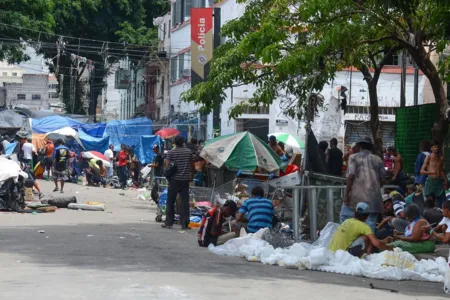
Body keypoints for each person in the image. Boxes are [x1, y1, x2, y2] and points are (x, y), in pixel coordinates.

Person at [342, 137, 385, 233]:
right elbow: (383, 178)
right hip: (374, 198)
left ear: (360, 146)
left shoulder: (353, 157)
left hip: (357, 197)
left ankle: (353, 243)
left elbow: (351, 176)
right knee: (370, 224)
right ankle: (368, 245)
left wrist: (346, 195)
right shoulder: (378, 159)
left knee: (346, 218)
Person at [162, 135, 193, 229]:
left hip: (174, 180)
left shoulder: (171, 152)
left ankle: (169, 223)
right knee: (184, 203)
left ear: (175, 143)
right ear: (183, 142)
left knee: (170, 202)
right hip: (185, 180)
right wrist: (191, 176)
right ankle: (185, 224)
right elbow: (191, 165)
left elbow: (167, 165)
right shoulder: (188, 152)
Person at [421, 140, 449, 208]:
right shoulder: (428, 157)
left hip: (439, 183)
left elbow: (442, 170)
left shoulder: (440, 158)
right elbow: (421, 171)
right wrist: (431, 172)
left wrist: (446, 180)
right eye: (434, 147)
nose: (436, 148)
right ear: (431, 148)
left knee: (443, 203)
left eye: (437, 147)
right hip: (430, 183)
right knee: (429, 204)